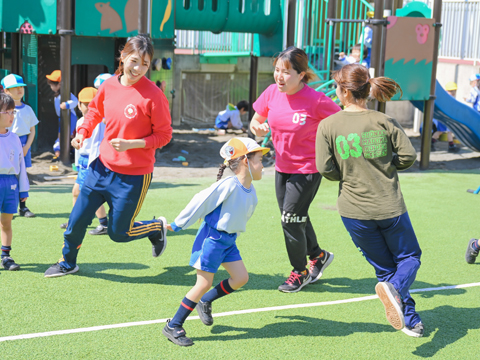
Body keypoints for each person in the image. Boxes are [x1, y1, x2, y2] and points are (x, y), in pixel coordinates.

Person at [44, 35, 173, 278]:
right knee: (76, 220)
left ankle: (156, 228)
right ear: (123, 57)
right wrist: (82, 132)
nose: (138, 68)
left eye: (145, 64)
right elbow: (94, 112)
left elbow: (165, 135)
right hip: (100, 168)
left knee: (119, 234)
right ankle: (67, 262)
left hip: (133, 177)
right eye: (134, 61)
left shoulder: (154, 95)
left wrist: (133, 144)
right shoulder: (109, 86)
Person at [316, 63, 423, 337]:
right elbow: (408, 156)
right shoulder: (384, 121)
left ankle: (409, 318)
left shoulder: (327, 125)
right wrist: (386, 164)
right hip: (389, 206)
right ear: (367, 89)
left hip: (353, 212)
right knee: (409, 257)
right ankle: (398, 296)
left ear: (342, 91)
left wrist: (348, 169)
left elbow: (325, 169)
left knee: (385, 269)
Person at [162, 137, 269, 347]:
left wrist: (233, 237)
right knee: (203, 283)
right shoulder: (228, 184)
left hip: (228, 241)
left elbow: (239, 218)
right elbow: (200, 201)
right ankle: (173, 325)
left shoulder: (250, 191)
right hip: (212, 239)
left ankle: (206, 300)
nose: (263, 166)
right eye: (259, 160)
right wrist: (177, 224)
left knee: (240, 278)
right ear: (246, 161)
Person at [250, 46, 341, 293]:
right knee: (295, 216)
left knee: (290, 219)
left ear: (302, 75)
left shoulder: (317, 100)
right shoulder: (271, 93)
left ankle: (300, 271)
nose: (280, 76)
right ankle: (318, 255)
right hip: (283, 167)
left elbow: (341, 124)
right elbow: (256, 119)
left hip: (308, 169)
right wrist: (257, 127)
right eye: (277, 70)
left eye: (287, 72)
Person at [60, 86, 109, 236]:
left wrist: (90, 165)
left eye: (92, 104)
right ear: (79, 105)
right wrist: (78, 163)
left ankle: (101, 223)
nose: (88, 107)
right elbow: (79, 146)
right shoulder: (80, 121)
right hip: (84, 162)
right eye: (85, 104)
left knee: (85, 193)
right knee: (79, 192)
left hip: (93, 162)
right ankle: (78, 220)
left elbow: (96, 145)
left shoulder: (100, 122)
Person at [1, 74, 38, 217]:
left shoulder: (28, 109)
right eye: (14, 88)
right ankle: (7, 207)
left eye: (21, 87)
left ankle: (22, 206)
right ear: (6, 91)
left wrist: (27, 146)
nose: (19, 90)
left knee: (22, 174)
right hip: (6, 144)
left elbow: (32, 129)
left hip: (23, 144)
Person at [0, 92, 29, 272]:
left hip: (10, 184)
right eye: (7, 112)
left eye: (13, 112)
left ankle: (6, 256)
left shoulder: (14, 138)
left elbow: (21, 165)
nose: (12, 115)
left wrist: (23, 191)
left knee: (6, 223)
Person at [45, 70, 79, 161]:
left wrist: (67, 105)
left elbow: (76, 102)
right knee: (61, 136)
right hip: (62, 118)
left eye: (52, 84)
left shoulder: (67, 94)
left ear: (59, 84)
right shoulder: (57, 95)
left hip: (70, 117)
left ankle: (73, 152)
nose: (51, 87)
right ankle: (59, 152)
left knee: (71, 135)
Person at [431, 81, 460, 153]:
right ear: (446, 91)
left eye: (454, 91)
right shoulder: (446, 99)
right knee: (440, 131)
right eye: (451, 91)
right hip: (442, 118)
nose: (453, 92)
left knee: (449, 131)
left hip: (446, 118)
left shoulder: (451, 98)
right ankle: (431, 143)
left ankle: (451, 146)